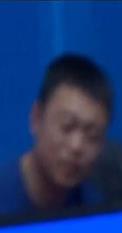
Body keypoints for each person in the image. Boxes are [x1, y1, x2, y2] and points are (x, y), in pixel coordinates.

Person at [0, 53, 115, 216]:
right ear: (36, 118)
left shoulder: (97, 210)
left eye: (92, 136)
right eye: (67, 127)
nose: (76, 146)